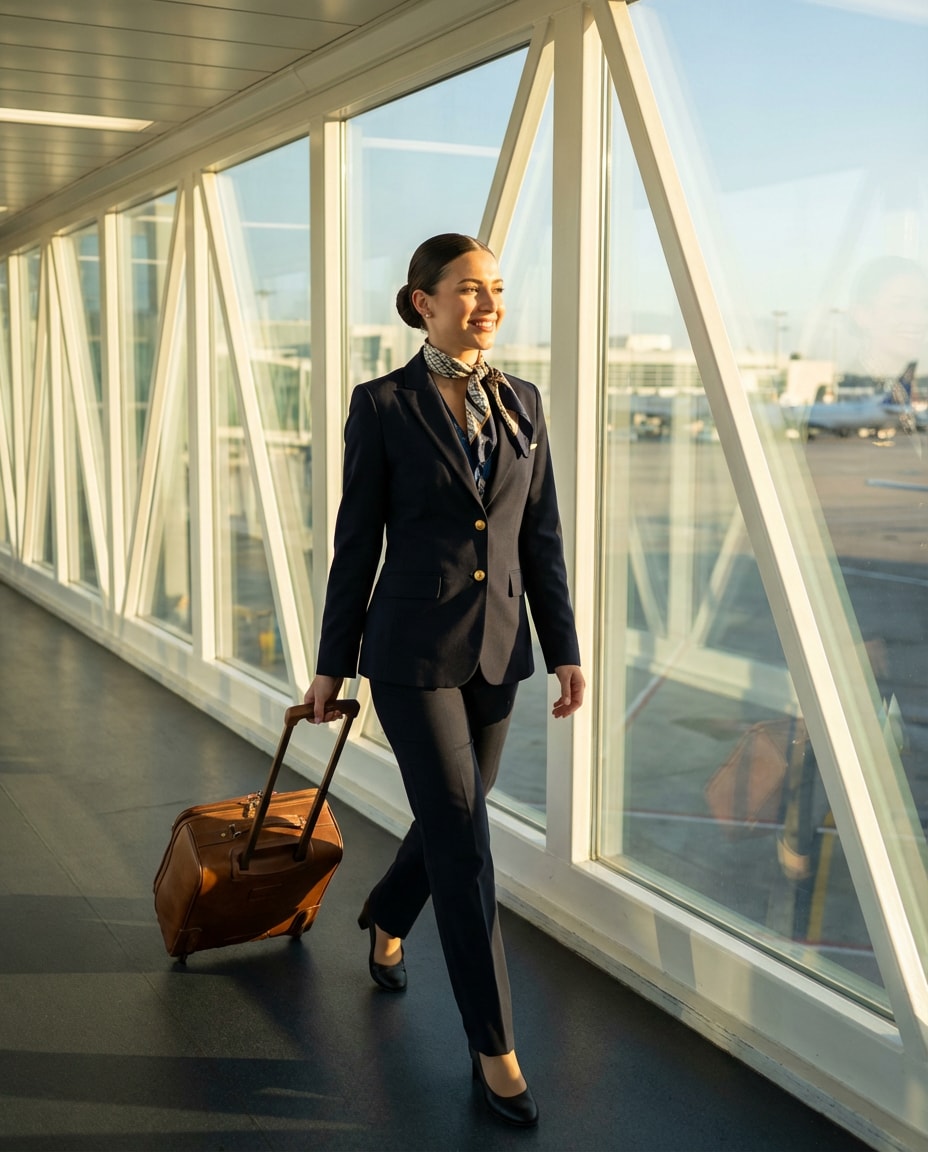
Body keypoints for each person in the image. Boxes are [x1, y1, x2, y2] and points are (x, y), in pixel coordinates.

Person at [303, 233, 584, 1128]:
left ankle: (386, 908)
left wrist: (565, 645)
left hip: (499, 651)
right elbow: (357, 544)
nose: (488, 303)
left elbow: (539, 537)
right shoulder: (383, 405)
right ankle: (493, 1045)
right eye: (469, 289)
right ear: (421, 300)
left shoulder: (523, 402)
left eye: (496, 288)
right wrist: (329, 665)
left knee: (455, 812)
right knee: (465, 836)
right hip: (412, 654)